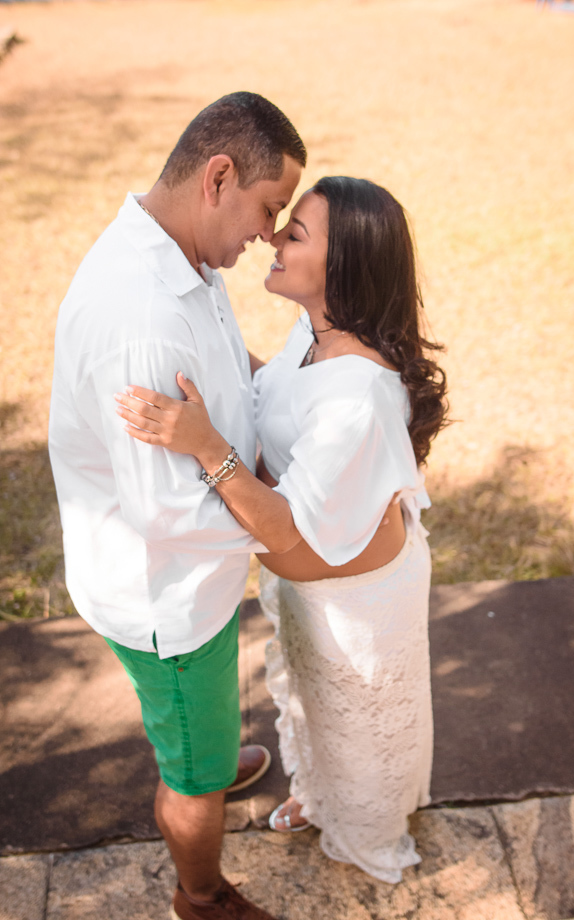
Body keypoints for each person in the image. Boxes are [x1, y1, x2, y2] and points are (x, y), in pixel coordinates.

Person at [114, 176, 449, 884]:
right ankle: (321, 794)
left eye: (294, 233)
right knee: (317, 712)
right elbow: (284, 398)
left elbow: (284, 519)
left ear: (343, 267)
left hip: (359, 607)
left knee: (362, 731)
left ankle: (368, 834)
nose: (271, 236)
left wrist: (207, 446)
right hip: (313, 591)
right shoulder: (315, 331)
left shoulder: (359, 394)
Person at [49, 92, 306, 920]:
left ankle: (209, 747)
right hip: (166, 592)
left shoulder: (175, 247)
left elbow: (221, 362)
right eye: (269, 209)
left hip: (192, 575)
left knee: (202, 730)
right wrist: (284, 531)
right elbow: (167, 516)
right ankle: (201, 894)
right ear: (218, 177)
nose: (270, 232)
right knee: (189, 777)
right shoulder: (144, 320)